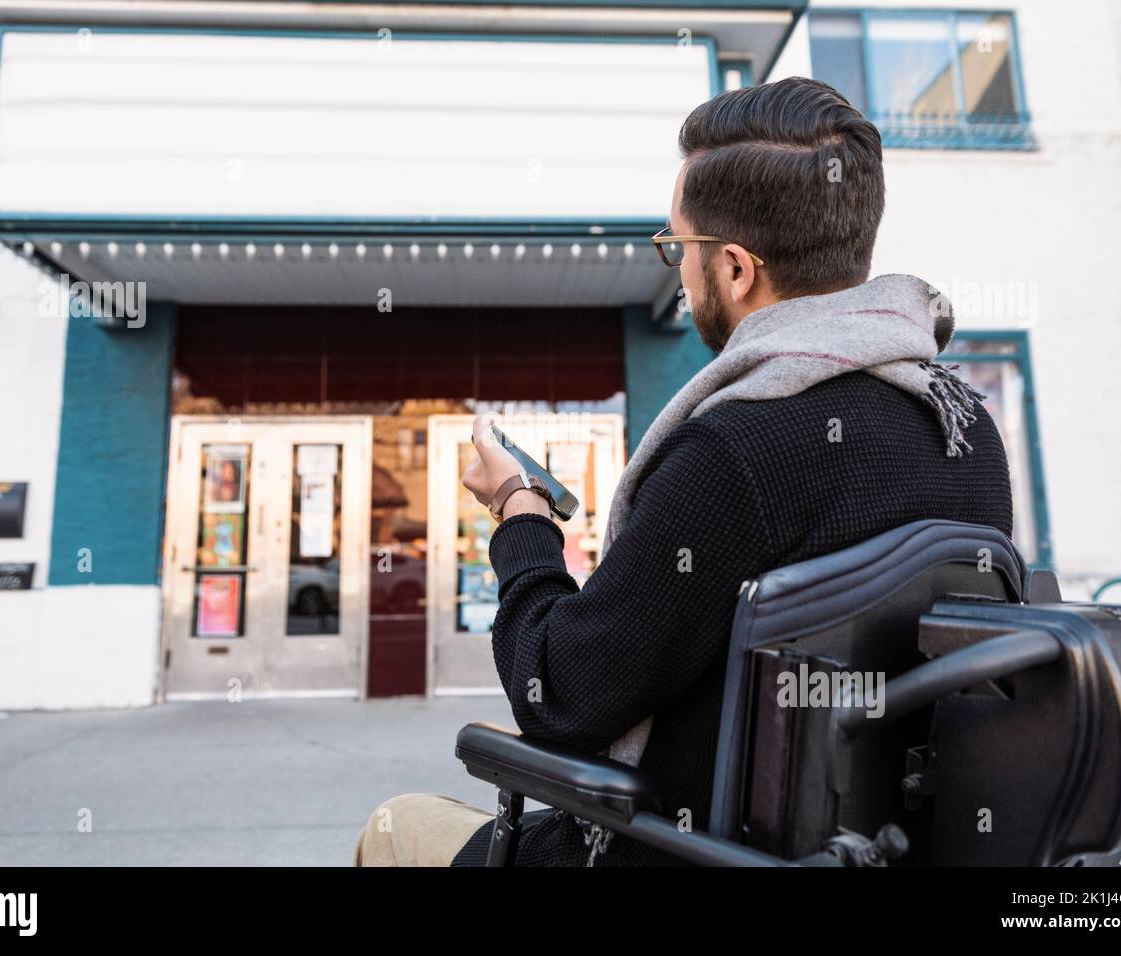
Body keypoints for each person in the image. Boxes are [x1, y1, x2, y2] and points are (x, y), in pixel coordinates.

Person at [353, 76, 1013, 867]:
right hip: (879, 848)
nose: (677, 272)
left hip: (681, 848)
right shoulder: (967, 427)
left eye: (678, 247)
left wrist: (519, 515)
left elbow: (560, 699)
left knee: (396, 826)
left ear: (735, 269)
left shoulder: (734, 452)